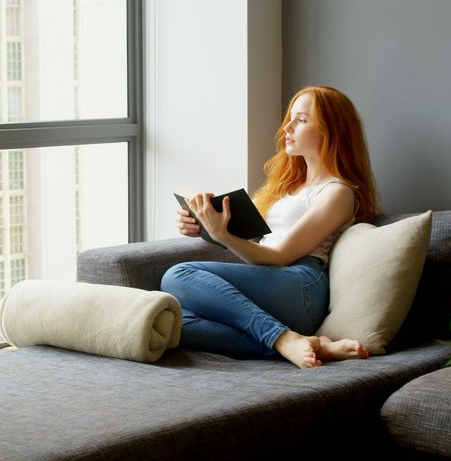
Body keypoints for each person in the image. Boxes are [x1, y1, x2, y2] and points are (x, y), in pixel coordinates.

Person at [160, 86, 379, 369]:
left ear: (331, 130)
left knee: (178, 275)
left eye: (301, 120)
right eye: (290, 118)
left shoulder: (338, 192)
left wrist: (222, 235)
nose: (287, 126)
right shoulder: (289, 187)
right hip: (269, 280)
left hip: (300, 285)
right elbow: (257, 244)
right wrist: (203, 222)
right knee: (172, 321)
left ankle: (282, 338)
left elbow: (280, 255)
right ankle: (306, 345)